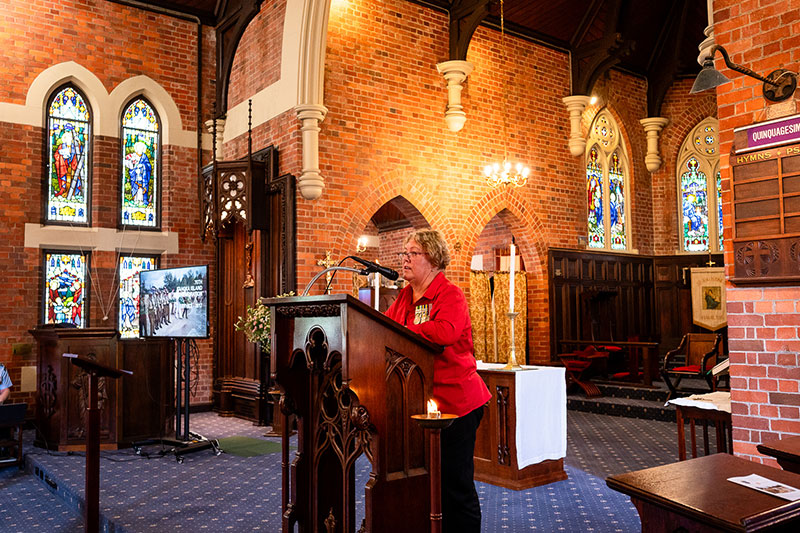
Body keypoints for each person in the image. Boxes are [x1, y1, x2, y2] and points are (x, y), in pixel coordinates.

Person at [385, 229, 491, 533]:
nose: (404, 258)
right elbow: (383, 329)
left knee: (455, 486)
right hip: (420, 405)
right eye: (404, 252)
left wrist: (403, 335)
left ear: (432, 259)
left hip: (457, 404)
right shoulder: (405, 297)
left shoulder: (450, 295)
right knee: (427, 483)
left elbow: (444, 333)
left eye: (412, 253)